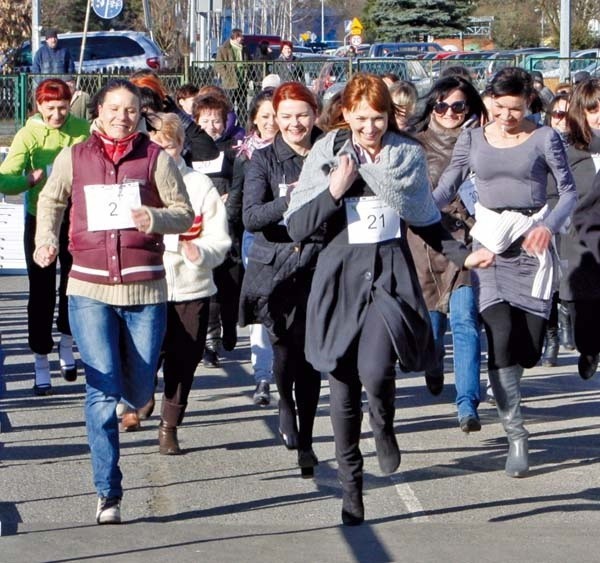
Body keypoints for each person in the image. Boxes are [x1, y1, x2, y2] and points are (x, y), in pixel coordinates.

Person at [284, 73, 493, 525]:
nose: (369, 128)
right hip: (338, 280)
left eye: (377, 118)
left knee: (376, 371)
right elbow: (298, 225)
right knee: (341, 389)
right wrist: (335, 188)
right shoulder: (329, 152)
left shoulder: (405, 154)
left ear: (389, 116)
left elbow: (425, 218)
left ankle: (384, 425)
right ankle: (351, 488)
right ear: (345, 114)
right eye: (360, 119)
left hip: (388, 279)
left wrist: (463, 254)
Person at [33, 79, 194, 524]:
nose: (122, 116)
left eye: (131, 110)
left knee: (140, 389)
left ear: (140, 114)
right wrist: (46, 240)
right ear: (98, 111)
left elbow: (184, 212)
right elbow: (50, 201)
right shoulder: (75, 156)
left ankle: (136, 394)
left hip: (144, 288)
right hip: (88, 288)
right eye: (114, 108)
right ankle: (108, 492)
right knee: (101, 391)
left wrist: (154, 217)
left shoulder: (155, 158)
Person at [433, 67, 577, 478]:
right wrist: (422, 206)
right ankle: (516, 434)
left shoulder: (545, 138)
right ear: (490, 102)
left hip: (532, 242)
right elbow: (447, 185)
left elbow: (568, 192)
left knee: (527, 350)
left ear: (529, 103)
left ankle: (529, 354)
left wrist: (547, 227)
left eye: (515, 108)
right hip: (489, 246)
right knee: (497, 334)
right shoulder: (472, 138)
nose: (507, 116)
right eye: (499, 107)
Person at [239, 82, 323, 477]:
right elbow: (251, 217)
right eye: (286, 116)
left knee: (310, 359)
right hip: (277, 265)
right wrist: (295, 198)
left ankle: (307, 441)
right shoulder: (264, 159)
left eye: (302, 115)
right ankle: (284, 403)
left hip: (320, 262)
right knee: (286, 352)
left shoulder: (331, 150)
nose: (295, 124)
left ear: (315, 114)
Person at [408, 75, 488, 432]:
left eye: (458, 106)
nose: (450, 113)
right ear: (432, 107)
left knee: (466, 322)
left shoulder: (483, 144)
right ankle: (434, 364)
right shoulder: (414, 146)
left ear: (469, 108)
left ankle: (467, 403)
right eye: (442, 106)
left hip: (471, 246)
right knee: (432, 329)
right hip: (428, 243)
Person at [0, 78, 89, 395]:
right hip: (40, 220)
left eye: (63, 108)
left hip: (76, 218)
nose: (57, 115)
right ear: (38, 106)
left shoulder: (82, 129)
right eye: (50, 109)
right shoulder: (28, 134)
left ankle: (67, 344)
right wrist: (28, 179)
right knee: (40, 291)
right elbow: (5, 181)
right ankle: (40, 359)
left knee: (74, 285)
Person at [149, 112, 231, 454]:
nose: (163, 154)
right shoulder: (139, 185)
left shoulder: (199, 185)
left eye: (169, 146)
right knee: (144, 355)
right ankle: (139, 397)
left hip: (192, 287)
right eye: (156, 147)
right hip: (147, 287)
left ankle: (170, 425)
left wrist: (202, 252)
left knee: (184, 361)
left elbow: (219, 238)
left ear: (182, 147)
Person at [232, 88, 278, 406]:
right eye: (266, 117)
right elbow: (236, 203)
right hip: (257, 239)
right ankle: (263, 375)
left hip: (299, 239)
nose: (273, 123)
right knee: (263, 307)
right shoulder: (245, 157)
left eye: (278, 116)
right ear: (254, 121)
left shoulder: (308, 153)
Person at [192, 94, 243, 367]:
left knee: (230, 283)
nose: (212, 126)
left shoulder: (234, 148)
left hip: (230, 222)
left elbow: (242, 181)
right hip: (202, 225)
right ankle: (210, 343)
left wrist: (231, 200)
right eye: (206, 121)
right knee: (209, 284)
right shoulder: (191, 151)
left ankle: (230, 324)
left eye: (217, 120)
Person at [556, 78, 600, 379]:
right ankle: (589, 349)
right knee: (584, 314)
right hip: (581, 243)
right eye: (592, 109)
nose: (598, 115)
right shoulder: (568, 152)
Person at [215, 29, 250, 123]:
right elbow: (218, 65)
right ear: (234, 37)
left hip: (242, 81)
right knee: (229, 106)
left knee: (242, 106)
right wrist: (226, 74)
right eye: (239, 36)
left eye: (241, 36)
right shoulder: (224, 49)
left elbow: (249, 63)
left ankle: (242, 125)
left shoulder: (244, 48)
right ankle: (228, 125)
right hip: (229, 82)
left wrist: (248, 74)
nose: (241, 38)